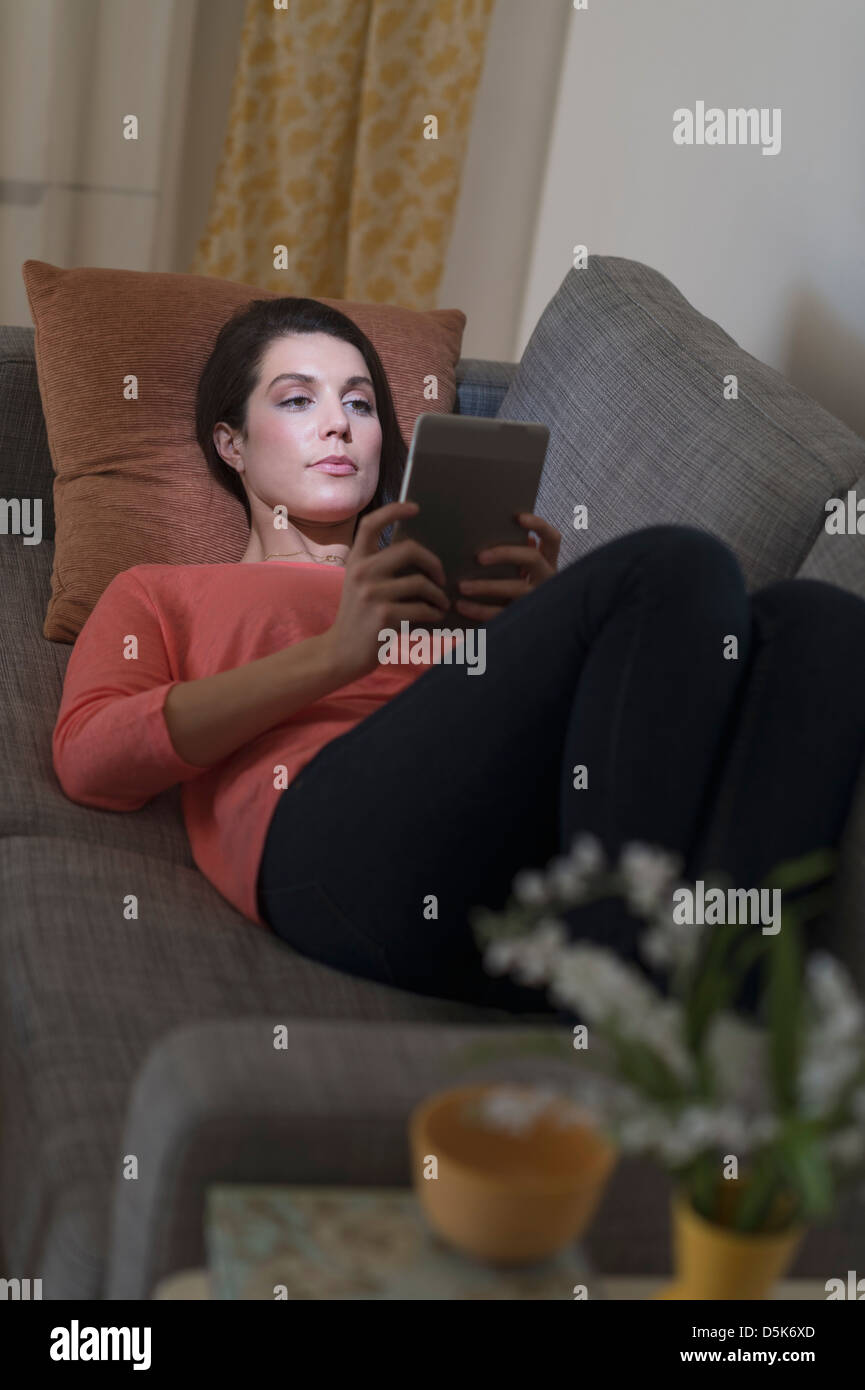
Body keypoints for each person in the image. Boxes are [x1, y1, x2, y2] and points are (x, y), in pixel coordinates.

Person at [53, 297, 865, 1021]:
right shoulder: (163, 592)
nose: (338, 424)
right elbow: (92, 759)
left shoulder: (451, 589)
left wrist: (557, 625)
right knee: (674, 564)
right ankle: (631, 986)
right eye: (297, 400)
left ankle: (726, 1027)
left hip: (519, 860)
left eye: (360, 404)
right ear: (230, 443)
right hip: (336, 851)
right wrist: (339, 654)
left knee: (819, 623)